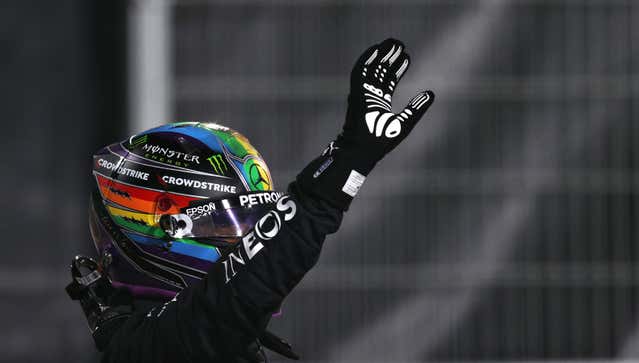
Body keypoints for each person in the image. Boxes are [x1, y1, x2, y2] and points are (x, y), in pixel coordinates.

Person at [66, 38, 434, 363]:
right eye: (227, 224)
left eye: (253, 223)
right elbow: (235, 298)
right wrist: (348, 162)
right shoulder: (152, 348)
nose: (251, 238)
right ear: (162, 230)